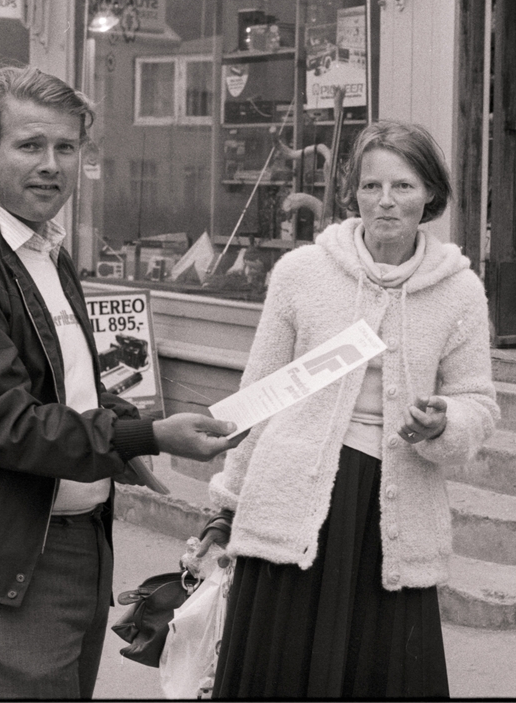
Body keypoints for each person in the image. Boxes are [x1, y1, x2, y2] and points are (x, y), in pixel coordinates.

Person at [0, 62, 240, 700]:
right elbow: (8, 424)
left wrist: (128, 441)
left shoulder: (47, 251)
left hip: (76, 547)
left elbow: (67, 389)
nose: (52, 164)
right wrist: (147, 435)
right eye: (31, 145)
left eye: (66, 146)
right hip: (5, 559)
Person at [197, 120, 499, 697]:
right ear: (352, 192)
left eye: (403, 187)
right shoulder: (302, 274)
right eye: (370, 186)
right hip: (293, 500)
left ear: (431, 193)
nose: (385, 201)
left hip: (391, 514)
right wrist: (226, 507)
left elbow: (478, 403)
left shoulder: (459, 290)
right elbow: (258, 396)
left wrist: (445, 422)